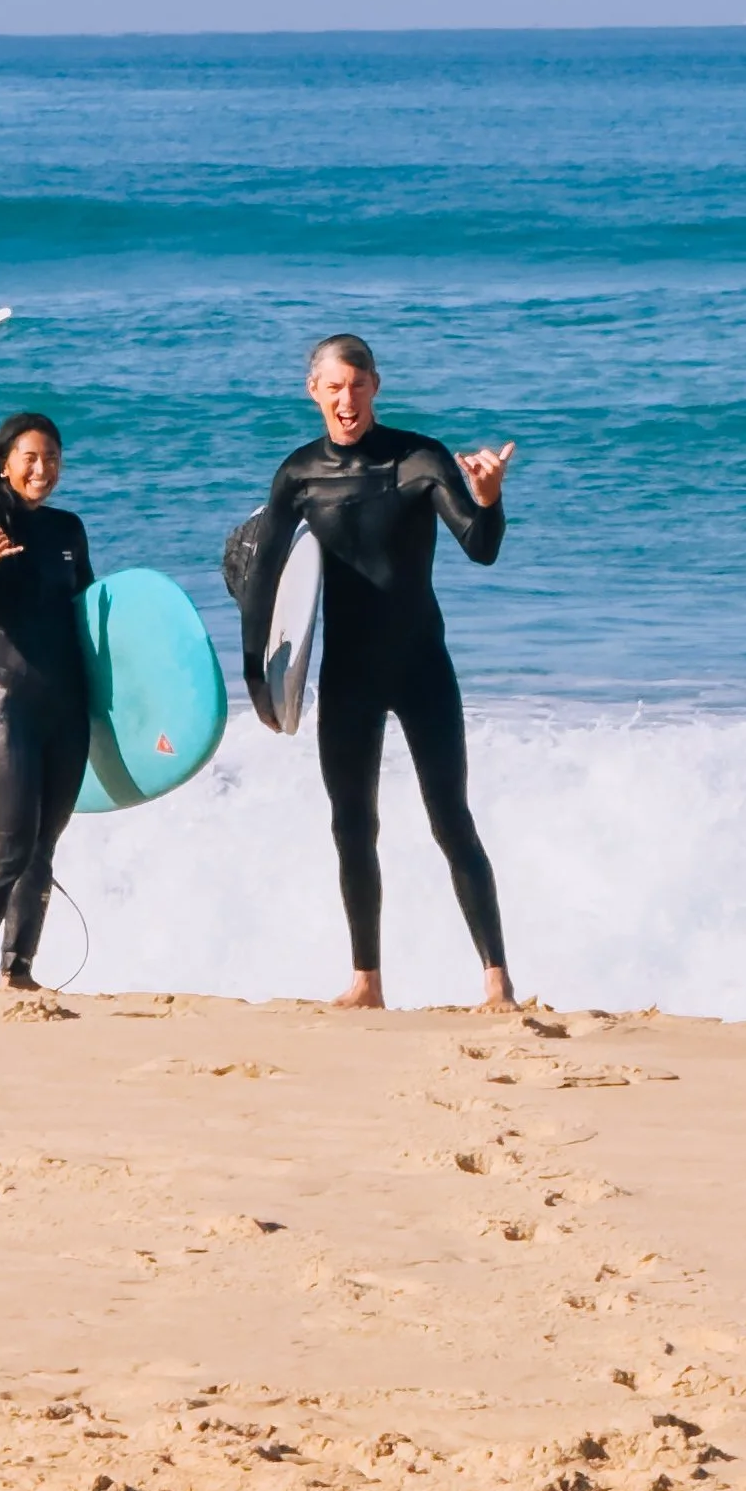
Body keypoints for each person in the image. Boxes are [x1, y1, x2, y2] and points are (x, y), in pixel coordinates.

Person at [231, 334, 517, 1011]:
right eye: (334, 387)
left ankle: (498, 981)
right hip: (349, 674)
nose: (347, 399)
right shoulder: (298, 475)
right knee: (351, 824)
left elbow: (481, 549)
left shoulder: (419, 459)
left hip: (422, 668)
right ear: (314, 392)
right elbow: (263, 578)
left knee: (450, 819)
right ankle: (366, 981)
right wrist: (257, 679)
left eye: (357, 385)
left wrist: (488, 498)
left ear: (376, 387)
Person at [0, 409, 91, 989]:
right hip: (11, 709)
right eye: (30, 457)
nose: (43, 468)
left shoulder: (68, 530)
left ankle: (20, 972)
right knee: (11, 849)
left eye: (52, 456)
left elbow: (90, 618)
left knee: (43, 851)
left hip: (69, 711)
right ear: (4, 464)